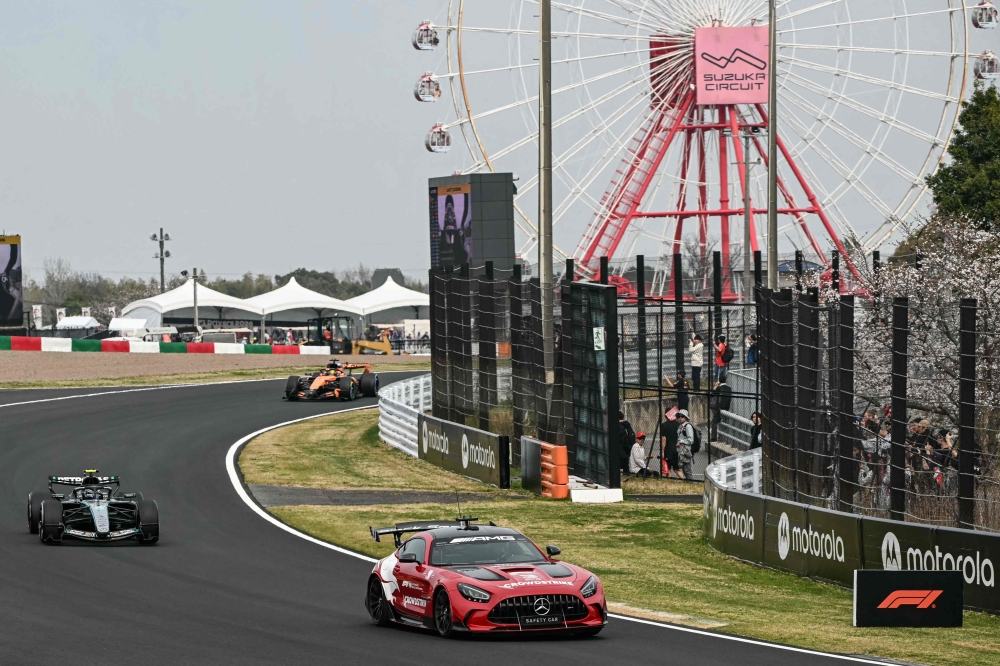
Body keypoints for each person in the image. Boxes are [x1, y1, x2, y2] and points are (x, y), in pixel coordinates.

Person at [710, 376, 732, 442]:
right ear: (725, 380)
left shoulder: (719, 388)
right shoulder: (729, 388)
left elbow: (712, 394)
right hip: (726, 407)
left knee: (714, 422)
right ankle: (725, 437)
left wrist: (715, 386)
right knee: (725, 422)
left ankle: (714, 438)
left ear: (719, 381)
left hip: (719, 408)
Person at [675, 409, 694, 480]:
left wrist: (681, 441)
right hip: (681, 451)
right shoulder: (680, 426)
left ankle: (691, 483)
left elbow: (691, 440)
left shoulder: (688, 426)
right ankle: (687, 482)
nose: (680, 418)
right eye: (679, 416)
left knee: (687, 470)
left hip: (686, 451)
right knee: (684, 469)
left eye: (682, 416)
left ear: (685, 417)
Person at [660, 409, 679, 478]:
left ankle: (670, 482)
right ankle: (684, 479)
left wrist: (662, 450)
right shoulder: (678, 424)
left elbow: (664, 439)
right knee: (676, 468)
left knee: (668, 469)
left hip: (668, 449)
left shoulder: (664, 425)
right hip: (676, 449)